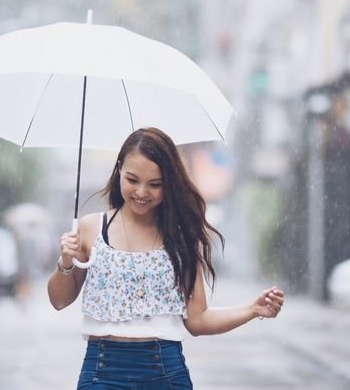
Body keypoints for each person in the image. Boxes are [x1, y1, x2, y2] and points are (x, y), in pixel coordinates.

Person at [47, 127, 285, 389]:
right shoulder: (90, 228)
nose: (141, 192)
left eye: (155, 184)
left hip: (165, 372)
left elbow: (197, 320)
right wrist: (66, 261)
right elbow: (59, 300)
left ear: (168, 183)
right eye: (132, 179)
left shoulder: (181, 237)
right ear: (119, 171)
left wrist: (252, 309)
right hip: (102, 372)